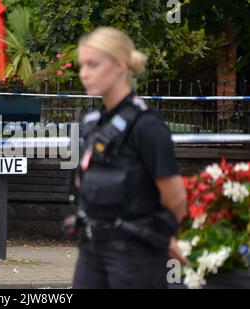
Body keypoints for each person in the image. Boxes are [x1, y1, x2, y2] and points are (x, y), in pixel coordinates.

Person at [68, 27, 188, 289]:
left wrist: (159, 236)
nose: (84, 73)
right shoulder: (93, 124)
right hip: (91, 247)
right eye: (81, 65)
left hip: (134, 255)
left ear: (120, 65)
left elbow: (176, 198)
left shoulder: (146, 126)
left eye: (93, 64)